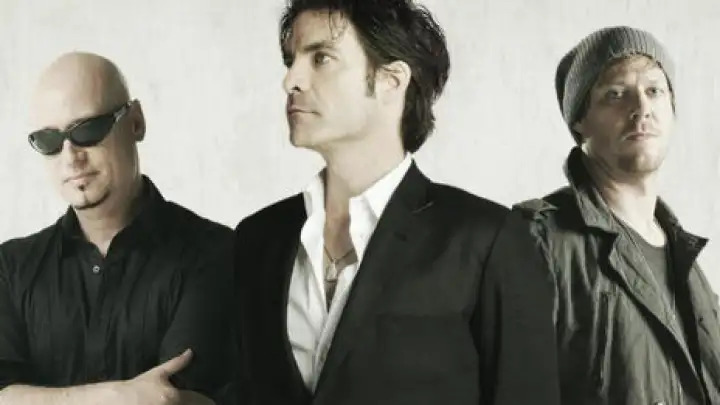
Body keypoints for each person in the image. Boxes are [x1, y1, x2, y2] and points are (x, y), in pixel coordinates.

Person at [233, 1, 561, 404]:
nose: (290, 81)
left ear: (391, 80)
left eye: (321, 58)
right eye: (291, 61)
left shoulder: (486, 240)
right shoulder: (258, 239)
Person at [0, 52, 235, 405]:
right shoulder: (11, 267)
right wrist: (118, 395)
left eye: (87, 130)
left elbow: (171, 399)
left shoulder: (214, 252)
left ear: (136, 122)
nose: (70, 157)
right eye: (49, 141)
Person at [514, 26, 720, 404]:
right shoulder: (538, 242)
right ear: (580, 121)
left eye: (654, 90)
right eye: (616, 94)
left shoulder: (689, 264)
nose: (641, 108)